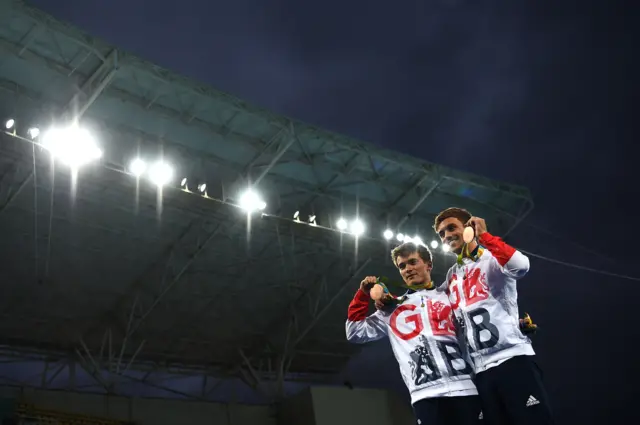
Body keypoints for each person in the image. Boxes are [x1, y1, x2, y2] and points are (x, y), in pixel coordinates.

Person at [433, 207, 554, 425]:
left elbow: (522, 265)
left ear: (469, 227)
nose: (446, 235)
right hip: (481, 373)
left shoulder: (491, 257)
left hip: (512, 360)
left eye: (451, 228)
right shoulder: (452, 275)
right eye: (441, 233)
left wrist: (486, 238)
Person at [345, 242, 482, 425]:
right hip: (426, 394)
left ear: (428, 264)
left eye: (412, 262)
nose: (408, 269)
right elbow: (354, 332)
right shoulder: (392, 309)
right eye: (402, 266)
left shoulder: (450, 295)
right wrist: (362, 295)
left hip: (466, 387)